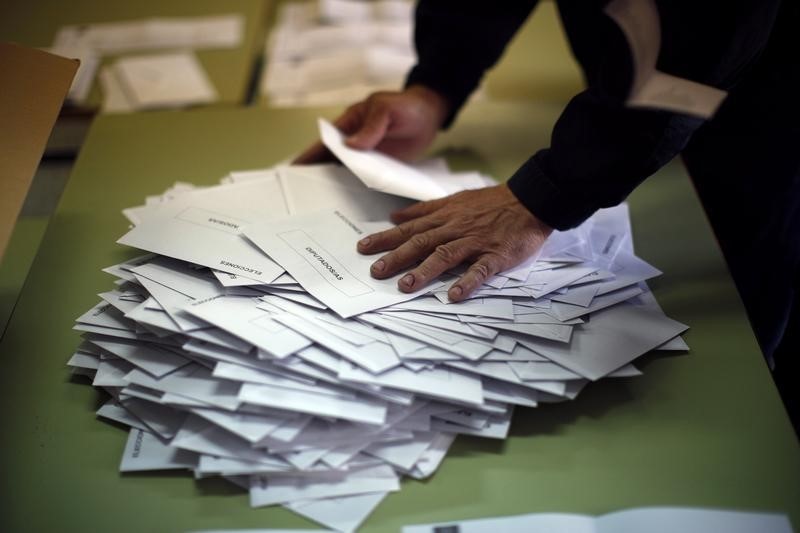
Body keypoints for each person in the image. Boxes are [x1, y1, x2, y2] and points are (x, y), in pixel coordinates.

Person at [296, 0, 798, 426]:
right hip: (626, 81)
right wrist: (436, 85)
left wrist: (545, 194)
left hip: (748, 99)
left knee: (733, 369)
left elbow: (708, 27)